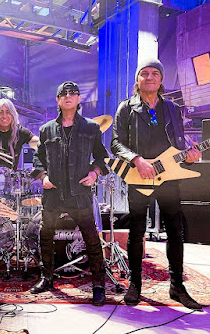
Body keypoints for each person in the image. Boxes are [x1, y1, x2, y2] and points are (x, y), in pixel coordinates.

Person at [111, 59, 202, 310]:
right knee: (136, 231)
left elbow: (179, 144)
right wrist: (136, 160)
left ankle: (177, 286)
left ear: (161, 79)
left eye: (155, 73)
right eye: (144, 73)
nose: (149, 77)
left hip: (168, 176)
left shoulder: (172, 108)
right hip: (139, 176)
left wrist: (190, 156)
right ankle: (135, 284)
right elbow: (116, 143)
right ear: (137, 79)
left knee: (175, 230)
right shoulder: (126, 108)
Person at [30, 81, 108, 306]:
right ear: (57, 100)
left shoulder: (91, 128)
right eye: (63, 93)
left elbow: (101, 157)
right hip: (54, 194)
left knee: (91, 239)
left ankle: (98, 285)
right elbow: (38, 157)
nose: (68, 96)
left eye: (73, 93)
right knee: (45, 236)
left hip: (79, 194)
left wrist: (94, 173)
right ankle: (47, 278)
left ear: (79, 99)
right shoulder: (46, 129)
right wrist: (43, 176)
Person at [0, 98, 39, 170]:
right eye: (0, 112)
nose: (4, 116)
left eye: (8, 112)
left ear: (13, 114)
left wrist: (44, 143)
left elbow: (36, 142)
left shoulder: (19, 131)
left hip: (11, 175)